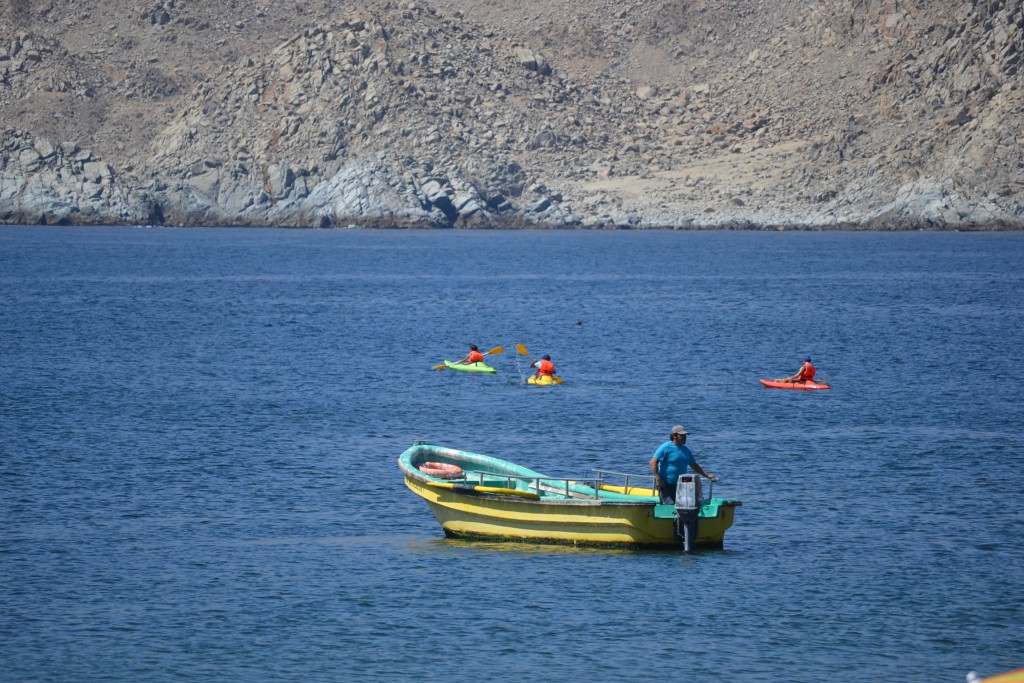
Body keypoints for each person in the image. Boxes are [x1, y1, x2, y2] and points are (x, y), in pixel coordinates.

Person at [649, 425, 717, 504]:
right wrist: (658, 479)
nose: (685, 437)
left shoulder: (686, 449)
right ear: (674, 436)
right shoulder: (665, 447)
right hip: (666, 484)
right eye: (682, 435)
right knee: (669, 505)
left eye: (685, 435)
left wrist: (707, 475)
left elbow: (693, 465)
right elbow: (653, 463)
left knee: (683, 505)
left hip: (681, 484)